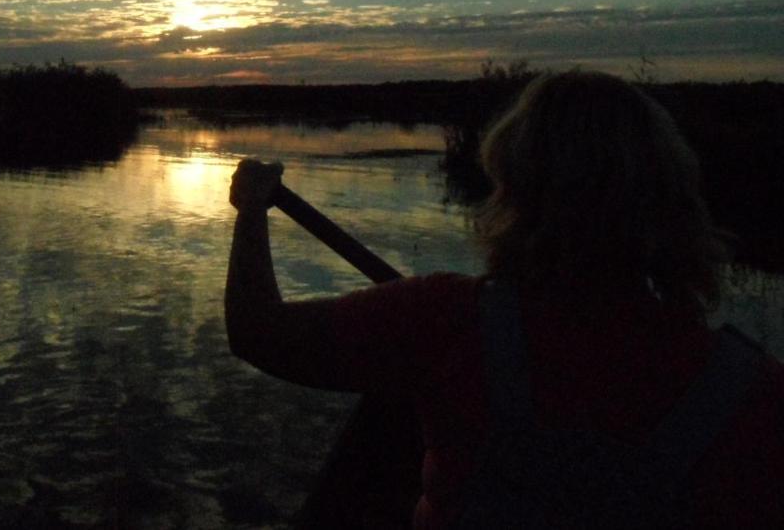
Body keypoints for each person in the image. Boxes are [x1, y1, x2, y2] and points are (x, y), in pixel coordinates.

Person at [225, 70, 784, 529]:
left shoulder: (444, 320)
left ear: (515, 188)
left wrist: (252, 210)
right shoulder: (752, 388)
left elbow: (257, 331)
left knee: (389, 413)